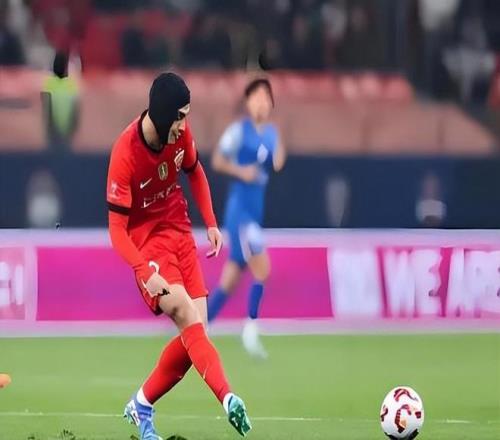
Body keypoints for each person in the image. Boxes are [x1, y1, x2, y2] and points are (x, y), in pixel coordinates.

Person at [106, 72, 251, 439]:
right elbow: (117, 230)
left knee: (196, 333)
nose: (184, 126)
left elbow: (195, 172)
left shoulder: (180, 135)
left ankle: (141, 404)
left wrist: (211, 222)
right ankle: (228, 397)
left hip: (180, 233)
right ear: (163, 114)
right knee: (187, 316)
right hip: (148, 243)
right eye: (180, 117)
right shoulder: (125, 153)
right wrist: (144, 270)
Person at [208, 78, 286, 358]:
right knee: (262, 268)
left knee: (229, 280)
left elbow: (278, 162)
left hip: (255, 212)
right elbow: (217, 160)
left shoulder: (272, 133)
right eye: (256, 98)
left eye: (266, 98)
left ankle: (199, 327)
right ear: (248, 102)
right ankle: (250, 330)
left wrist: (277, 142)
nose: (261, 103)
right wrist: (241, 171)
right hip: (240, 213)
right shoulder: (238, 131)